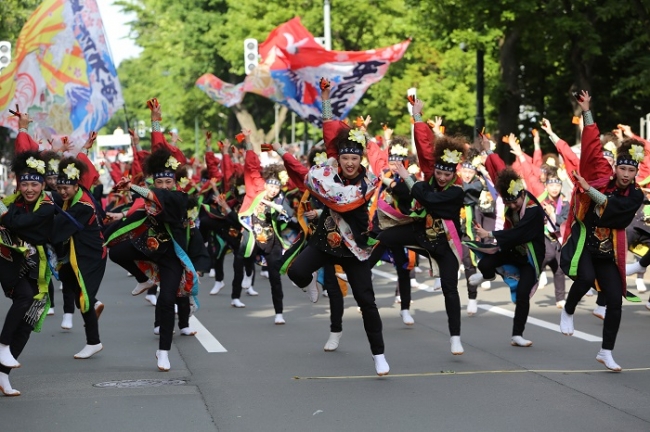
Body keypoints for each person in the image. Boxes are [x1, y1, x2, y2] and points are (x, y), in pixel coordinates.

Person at [287, 78, 389, 376]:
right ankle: (311, 286)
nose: (348, 163)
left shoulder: (367, 183)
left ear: (360, 160)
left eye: (354, 158)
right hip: (325, 241)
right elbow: (329, 129)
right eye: (344, 157)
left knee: (366, 302)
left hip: (354, 247)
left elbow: (343, 204)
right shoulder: (326, 174)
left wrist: (323, 192)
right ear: (338, 158)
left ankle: (379, 354)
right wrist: (326, 96)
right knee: (295, 271)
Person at [559, 90, 644, 371]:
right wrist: (586, 111)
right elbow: (592, 145)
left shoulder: (634, 196)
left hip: (608, 251)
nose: (625, 174)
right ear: (616, 167)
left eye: (630, 172)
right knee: (584, 279)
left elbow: (615, 212)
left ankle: (606, 351)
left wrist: (589, 190)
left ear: (635, 174)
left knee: (616, 301)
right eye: (621, 169)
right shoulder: (602, 178)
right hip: (585, 243)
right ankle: (569, 309)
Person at [470, 161, 545, 348]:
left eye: (514, 202)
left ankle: (517, 335)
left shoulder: (533, 210)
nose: (512, 206)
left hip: (529, 258)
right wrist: (488, 153)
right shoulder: (511, 200)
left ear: (522, 194)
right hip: (512, 250)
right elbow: (500, 171)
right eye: (508, 202)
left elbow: (520, 233)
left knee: (522, 294)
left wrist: (490, 234)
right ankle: (486, 276)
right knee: (484, 265)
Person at [0, 149, 56, 396]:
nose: (29, 189)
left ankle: (3, 376)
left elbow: (26, 228)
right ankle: (2, 346)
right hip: (11, 264)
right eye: (25, 184)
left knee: (28, 323)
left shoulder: (48, 205)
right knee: (23, 297)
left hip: (39, 269)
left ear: (43, 185)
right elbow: (18, 226)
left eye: (34, 184)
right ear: (18, 185)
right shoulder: (12, 202)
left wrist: (12, 220)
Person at [51, 152, 106, 360]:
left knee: (84, 299)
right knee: (67, 278)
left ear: (76, 186)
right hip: (78, 252)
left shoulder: (82, 206)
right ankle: (95, 302)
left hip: (92, 255)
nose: (62, 192)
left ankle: (94, 342)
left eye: (66, 188)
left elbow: (57, 229)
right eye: (60, 188)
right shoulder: (75, 196)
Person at [537, 167, 569, 308]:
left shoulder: (566, 203)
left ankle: (560, 298)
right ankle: (536, 271)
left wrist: (552, 214)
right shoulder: (540, 202)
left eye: (557, 185)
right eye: (551, 185)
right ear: (546, 186)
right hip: (543, 236)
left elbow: (563, 222)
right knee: (548, 254)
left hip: (559, 237)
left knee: (559, 268)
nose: (555, 188)